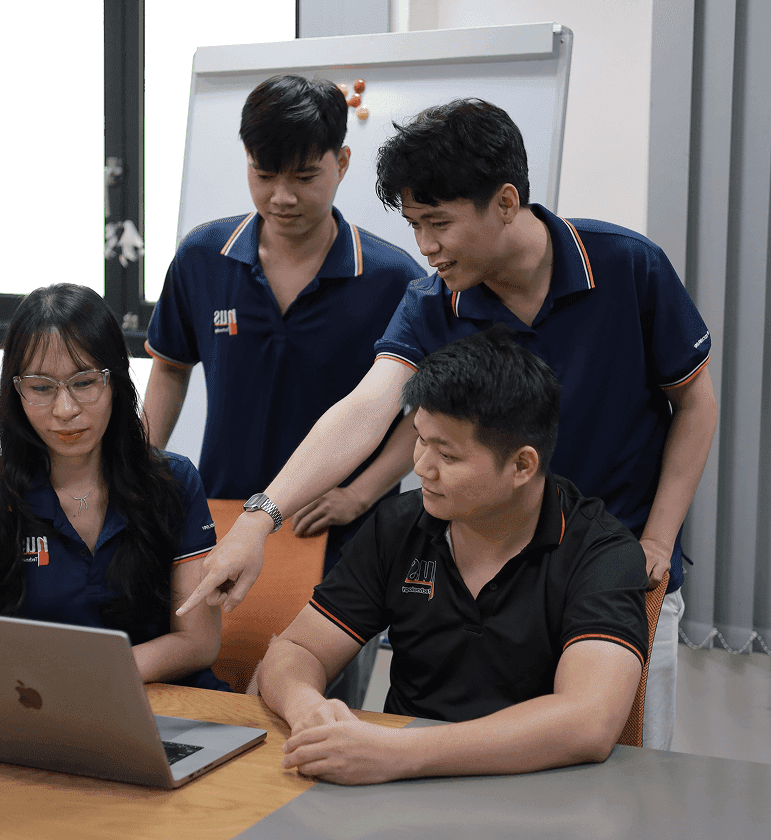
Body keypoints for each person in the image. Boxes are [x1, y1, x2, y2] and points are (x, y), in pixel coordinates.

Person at [182, 98, 718, 749]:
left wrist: (658, 540)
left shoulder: (627, 266)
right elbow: (366, 408)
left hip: (615, 566)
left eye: (438, 223)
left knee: (619, 757)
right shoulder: (435, 302)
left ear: (505, 201)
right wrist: (263, 518)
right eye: (413, 225)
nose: (425, 247)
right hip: (486, 565)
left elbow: (694, 403)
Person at [257, 330, 648, 785]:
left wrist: (398, 754)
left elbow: (588, 721)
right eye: (420, 440)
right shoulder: (399, 526)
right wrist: (308, 708)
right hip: (394, 790)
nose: (422, 466)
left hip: (536, 788)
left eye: (447, 453)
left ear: (522, 465)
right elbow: (297, 649)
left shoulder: (601, 553)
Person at [142, 75, 425, 703]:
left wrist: (361, 492)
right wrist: (137, 467)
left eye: (303, 176)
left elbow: (420, 412)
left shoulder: (392, 279)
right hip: (222, 519)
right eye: (264, 174)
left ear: (342, 161)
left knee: (316, 711)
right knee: (211, 700)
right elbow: (168, 366)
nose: (282, 196)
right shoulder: (203, 257)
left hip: (346, 539)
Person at [0, 284, 226, 690]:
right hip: (40, 708)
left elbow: (199, 641)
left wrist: (86, 677)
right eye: (42, 388)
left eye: (84, 382)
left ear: (114, 380)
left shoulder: (174, 481)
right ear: (17, 392)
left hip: (167, 701)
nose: (66, 410)